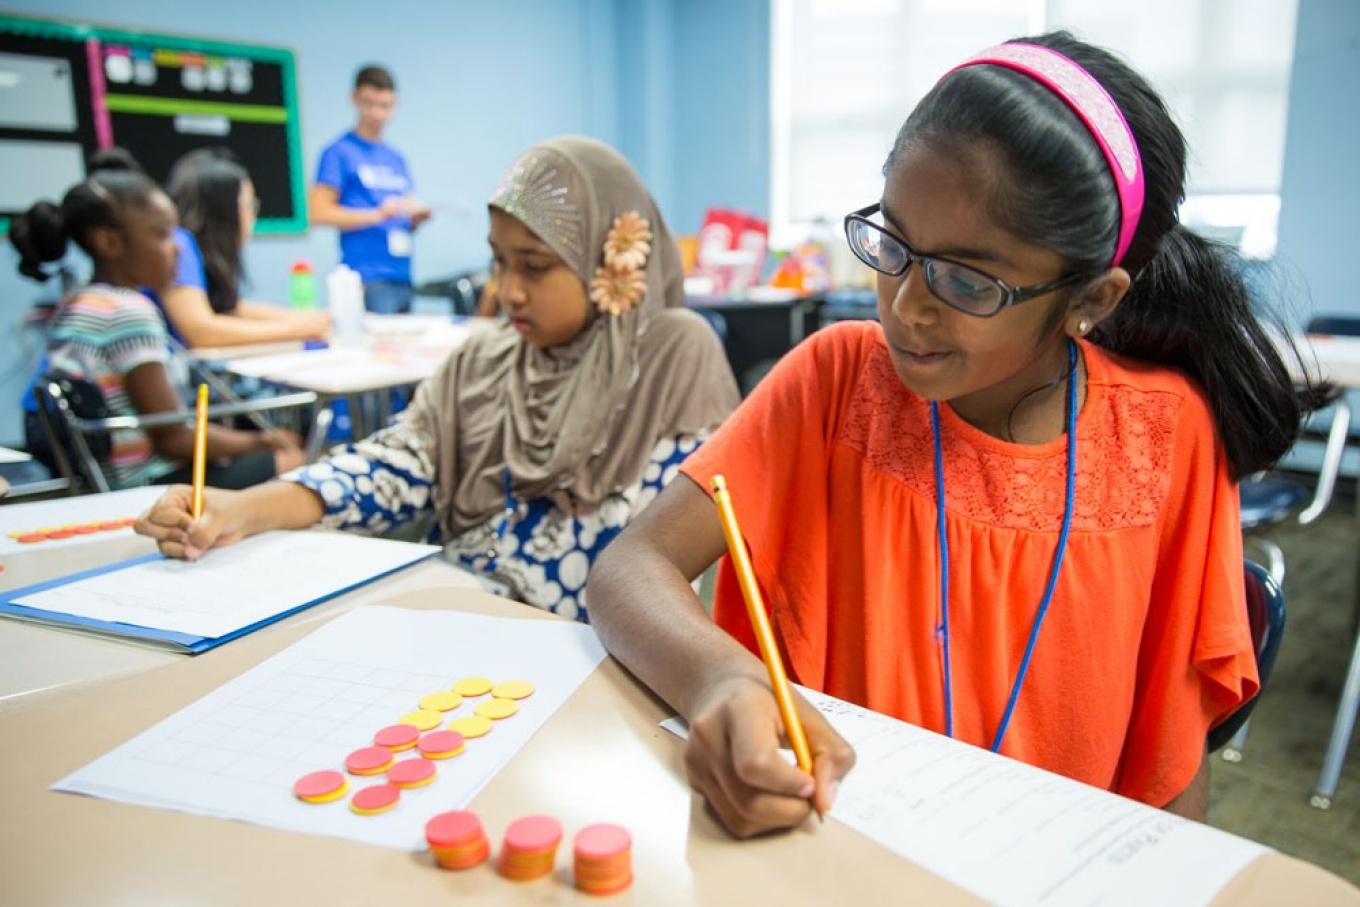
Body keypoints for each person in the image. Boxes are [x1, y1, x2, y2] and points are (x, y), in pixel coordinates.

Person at [585, 32, 1330, 838]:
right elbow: (629, 568)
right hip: (831, 844)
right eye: (893, 244)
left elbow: (1172, 755)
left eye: (968, 279)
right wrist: (724, 680)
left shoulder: (1165, 434)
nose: (907, 306)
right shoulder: (838, 382)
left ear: (1093, 299)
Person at [136, 136, 741, 620]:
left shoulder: (671, 355)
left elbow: (661, 556)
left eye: (534, 266)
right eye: (498, 262)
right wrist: (242, 509)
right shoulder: (485, 359)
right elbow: (395, 466)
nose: (507, 291)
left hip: (596, 655)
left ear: (610, 264)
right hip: (456, 620)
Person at [11, 157, 306, 490]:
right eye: (162, 234)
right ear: (109, 242)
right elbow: (174, 438)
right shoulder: (129, 313)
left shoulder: (80, 301)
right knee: (295, 460)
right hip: (147, 484)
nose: (178, 249)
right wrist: (263, 442)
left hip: (99, 478)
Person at [158, 147, 331, 348]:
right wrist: (297, 329)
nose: (252, 216)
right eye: (249, 205)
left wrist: (307, 320)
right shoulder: (179, 247)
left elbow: (230, 308)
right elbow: (201, 331)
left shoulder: (195, 248)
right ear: (223, 211)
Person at [309, 65, 432, 314]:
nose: (377, 113)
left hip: (402, 275)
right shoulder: (339, 152)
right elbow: (317, 212)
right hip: (367, 277)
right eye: (369, 103)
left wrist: (415, 219)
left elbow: (403, 219)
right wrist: (377, 214)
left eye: (384, 105)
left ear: (394, 104)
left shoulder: (395, 158)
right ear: (355, 100)